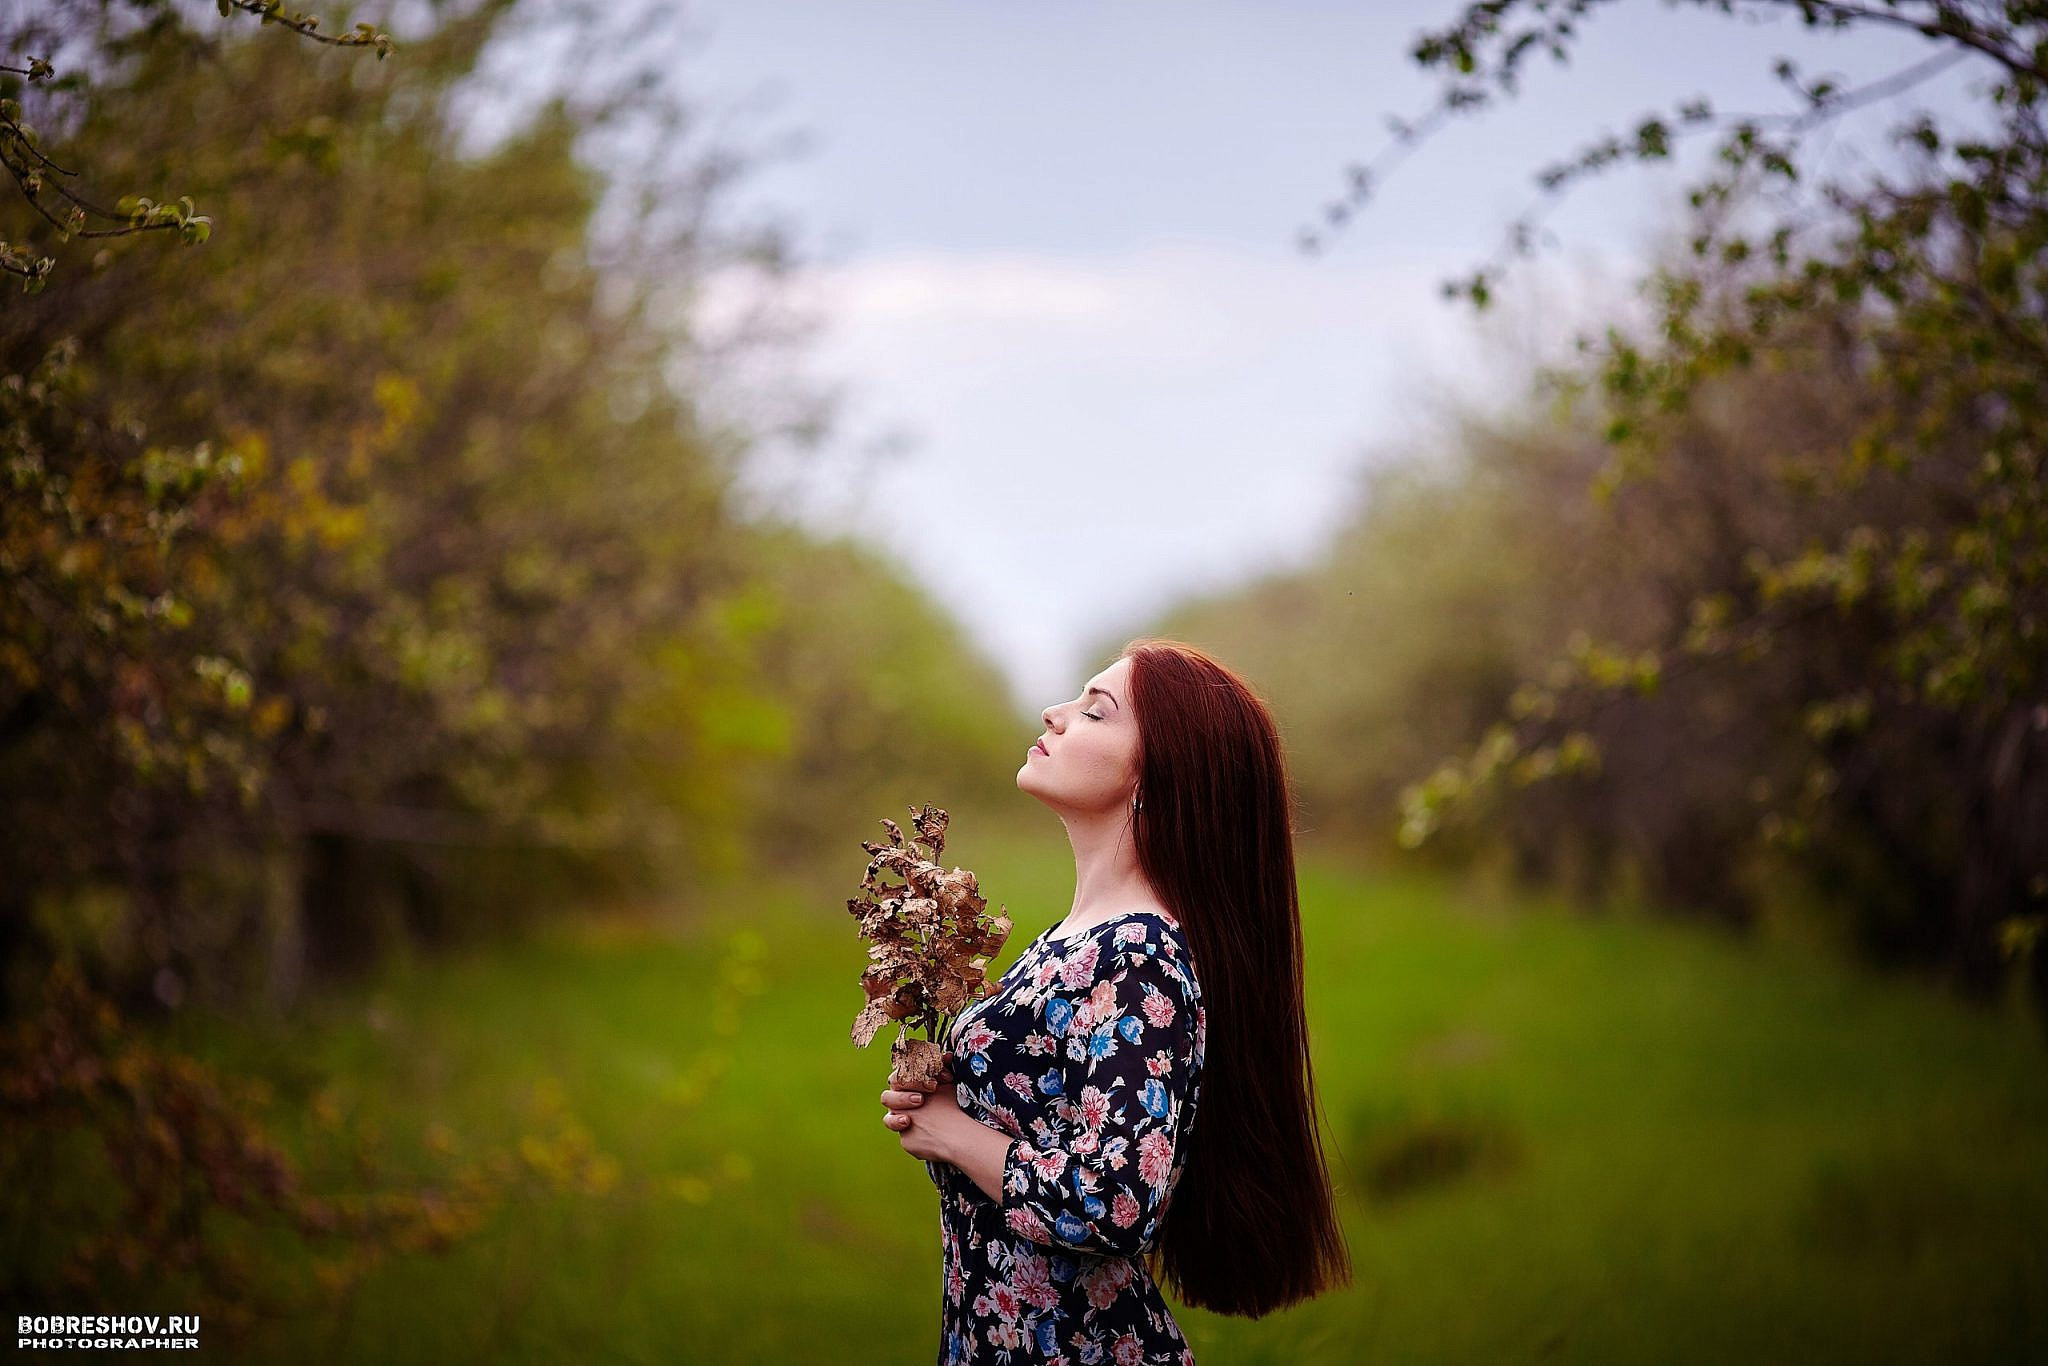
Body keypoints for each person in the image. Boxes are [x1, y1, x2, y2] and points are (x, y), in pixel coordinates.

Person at [880, 637, 1352, 1363]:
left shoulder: (1138, 958)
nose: (1055, 713)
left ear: (1156, 778)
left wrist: (952, 1134)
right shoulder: (1080, 938)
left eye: (1095, 713)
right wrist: (962, 1092)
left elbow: (1115, 1203)